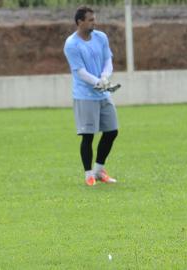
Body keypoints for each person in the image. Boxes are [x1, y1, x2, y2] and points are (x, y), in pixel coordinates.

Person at [63, 6, 119, 186]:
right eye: (90, 20)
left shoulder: (101, 37)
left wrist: (104, 77)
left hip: (102, 95)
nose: (94, 22)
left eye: (94, 19)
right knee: (88, 136)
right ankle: (89, 175)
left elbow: (107, 60)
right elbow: (79, 72)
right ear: (80, 22)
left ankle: (99, 170)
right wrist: (97, 82)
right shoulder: (71, 44)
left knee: (112, 131)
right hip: (85, 95)